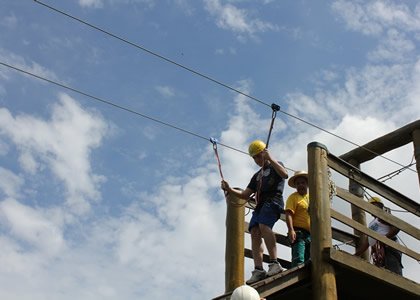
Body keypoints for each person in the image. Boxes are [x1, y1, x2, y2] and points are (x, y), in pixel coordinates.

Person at [221, 140, 288, 284]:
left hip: (273, 201)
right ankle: (259, 269)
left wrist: (271, 159)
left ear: (265, 153)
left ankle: (274, 263)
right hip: (261, 205)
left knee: (264, 226)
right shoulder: (257, 176)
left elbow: (285, 175)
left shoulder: (277, 164)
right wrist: (229, 189)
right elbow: (245, 195)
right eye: (255, 158)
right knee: (255, 232)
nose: (258, 160)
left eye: (259, 156)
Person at [354, 197, 403, 275]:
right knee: (383, 273)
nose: (370, 208)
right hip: (379, 251)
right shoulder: (371, 223)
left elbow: (396, 227)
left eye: (372, 205)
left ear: (379, 205)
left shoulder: (383, 216)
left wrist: (385, 238)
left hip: (389, 248)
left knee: (393, 272)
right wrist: (356, 255)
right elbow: (367, 242)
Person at [285, 170, 311, 268]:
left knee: (310, 260)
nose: (300, 185)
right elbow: (288, 214)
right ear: (295, 186)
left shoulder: (310, 197)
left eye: (303, 183)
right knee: (299, 259)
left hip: (310, 234)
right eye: (298, 183)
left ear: (307, 184)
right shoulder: (293, 197)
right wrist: (291, 230)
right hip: (298, 232)